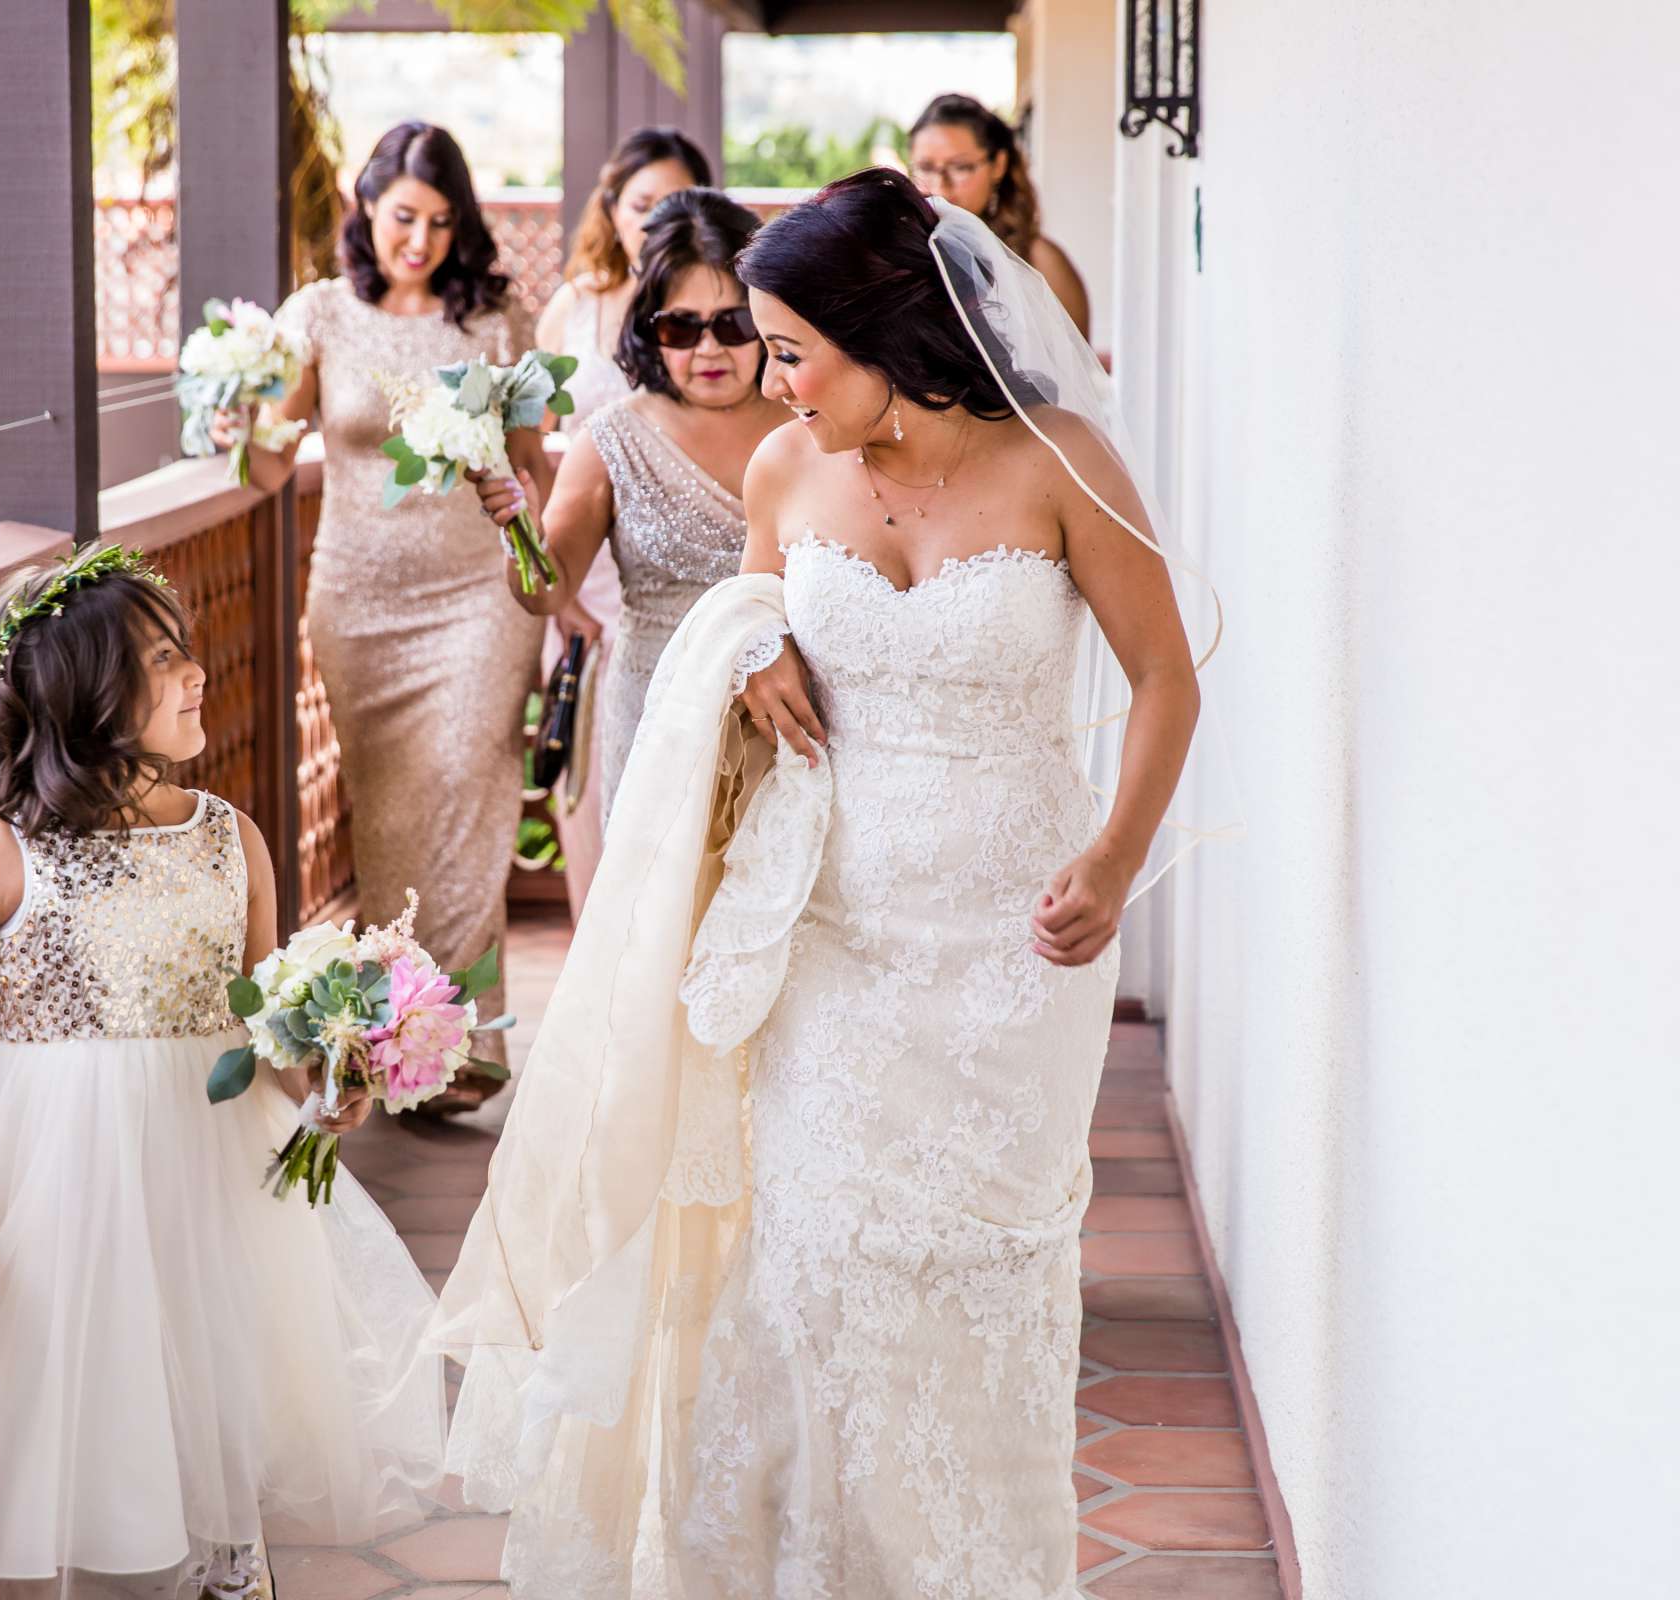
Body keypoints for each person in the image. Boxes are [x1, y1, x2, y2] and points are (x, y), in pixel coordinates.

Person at [432, 169, 1206, 1599]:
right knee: (808, 1268)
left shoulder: (1061, 460)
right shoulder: (786, 475)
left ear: (886, 332)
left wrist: (1112, 859)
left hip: (1013, 949)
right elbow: (741, 626)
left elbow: (1167, 678)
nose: (772, 382)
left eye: (793, 350)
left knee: (975, 1284)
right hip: (824, 931)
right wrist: (748, 643)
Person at [0, 548, 444, 1599]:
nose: (196, 673)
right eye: (163, 661)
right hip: (56, 1166)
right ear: (89, 697)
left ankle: (223, 1549)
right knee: (85, 1365)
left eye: (185, 651)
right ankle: (101, 1562)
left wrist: (326, 1079)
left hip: (211, 1154)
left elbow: (267, 1018)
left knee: (213, 1348)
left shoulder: (229, 840)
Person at [225, 122, 548, 1114]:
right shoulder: (318, 312)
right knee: (396, 815)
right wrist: (240, 411)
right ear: (367, 207)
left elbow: (531, 460)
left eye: (443, 222)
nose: (422, 239)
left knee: (465, 785)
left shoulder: (500, 316)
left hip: (475, 601)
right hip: (360, 600)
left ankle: (461, 1043)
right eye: (405, 217)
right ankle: (401, 1048)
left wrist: (518, 495)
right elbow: (268, 466)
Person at [477, 188, 790, 812]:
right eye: (681, 327)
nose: (708, 349)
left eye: (733, 324)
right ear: (650, 328)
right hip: (657, 713)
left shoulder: (811, 427)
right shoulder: (611, 437)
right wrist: (521, 532)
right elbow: (547, 592)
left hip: (787, 719)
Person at [531, 127, 713, 911]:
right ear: (612, 207)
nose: (654, 221)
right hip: (587, 568)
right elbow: (541, 455)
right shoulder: (573, 308)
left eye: (672, 204)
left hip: (682, 557)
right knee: (594, 794)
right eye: (642, 205)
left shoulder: (716, 311)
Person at [910, 92, 1092, 338]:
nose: (940, 186)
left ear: (998, 165)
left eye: (961, 167)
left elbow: (1076, 370)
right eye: (926, 168)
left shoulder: (1041, 261)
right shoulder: (901, 253)